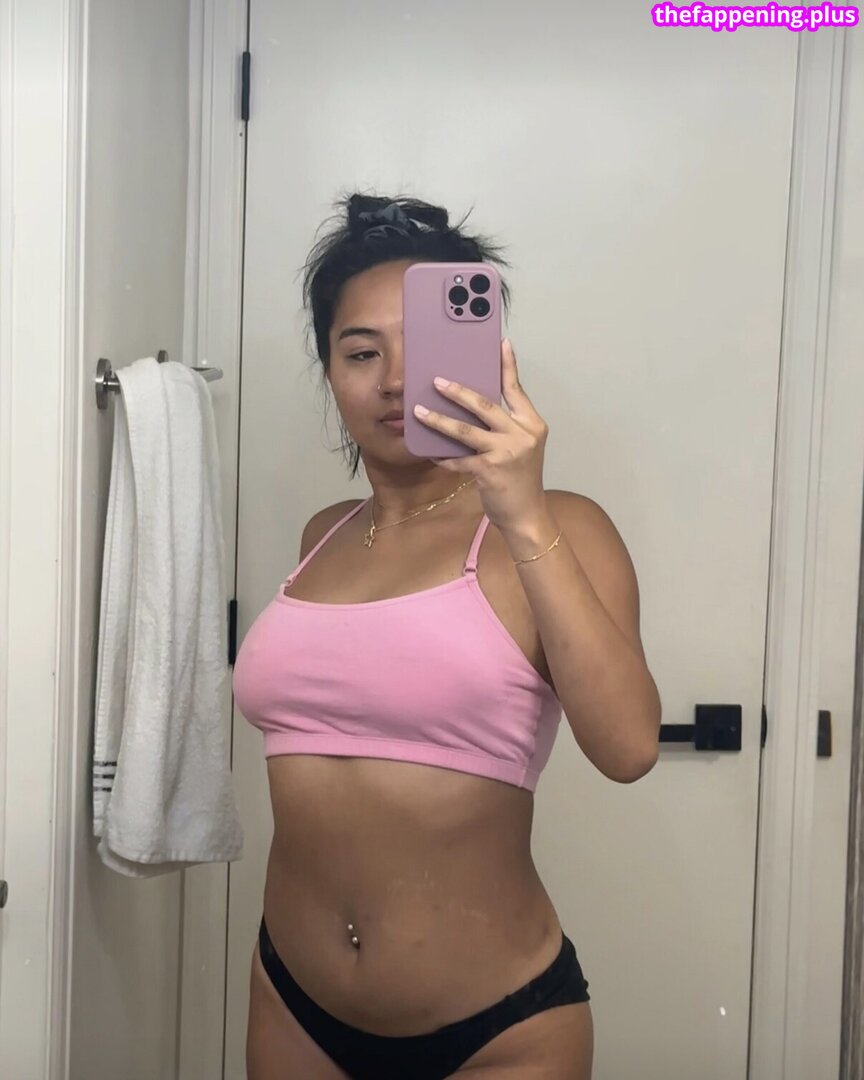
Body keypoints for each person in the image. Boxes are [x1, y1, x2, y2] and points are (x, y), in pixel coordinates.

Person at [234, 192, 662, 1079]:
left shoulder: (561, 525)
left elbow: (628, 748)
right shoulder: (321, 536)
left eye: (422, 348)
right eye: (361, 352)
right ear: (329, 372)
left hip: (499, 1031)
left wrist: (521, 509)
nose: (394, 382)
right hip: (293, 1002)